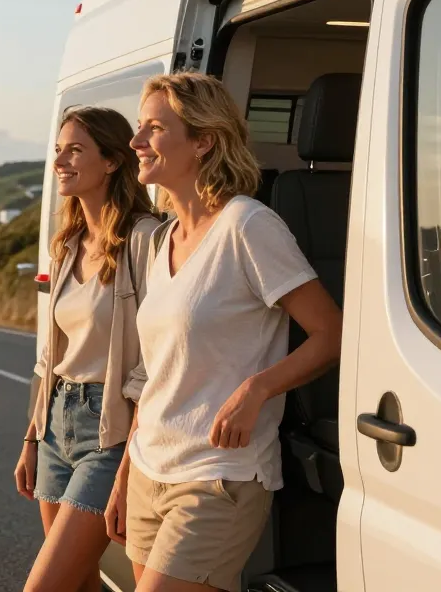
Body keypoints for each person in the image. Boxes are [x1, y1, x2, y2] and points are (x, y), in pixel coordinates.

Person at [111, 72, 343, 592]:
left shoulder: (248, 225)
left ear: (204, 140)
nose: (135, 142)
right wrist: (127, 472)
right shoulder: (163, 237)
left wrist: (257, 388)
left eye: (154, 127)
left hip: (218, 478)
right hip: (151, 469)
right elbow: (157, 374)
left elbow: (331, 333)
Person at [16, 105, 160, 592]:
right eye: (58, 150)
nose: (60, 161)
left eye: (76, 150)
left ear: (113, 161)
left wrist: (132, 448)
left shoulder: (144, 240)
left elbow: (159, 352)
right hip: (57, 422)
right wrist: (32, 438)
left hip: (110, 427)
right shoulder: (67, 244)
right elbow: (49, 357)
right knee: (77, 583)